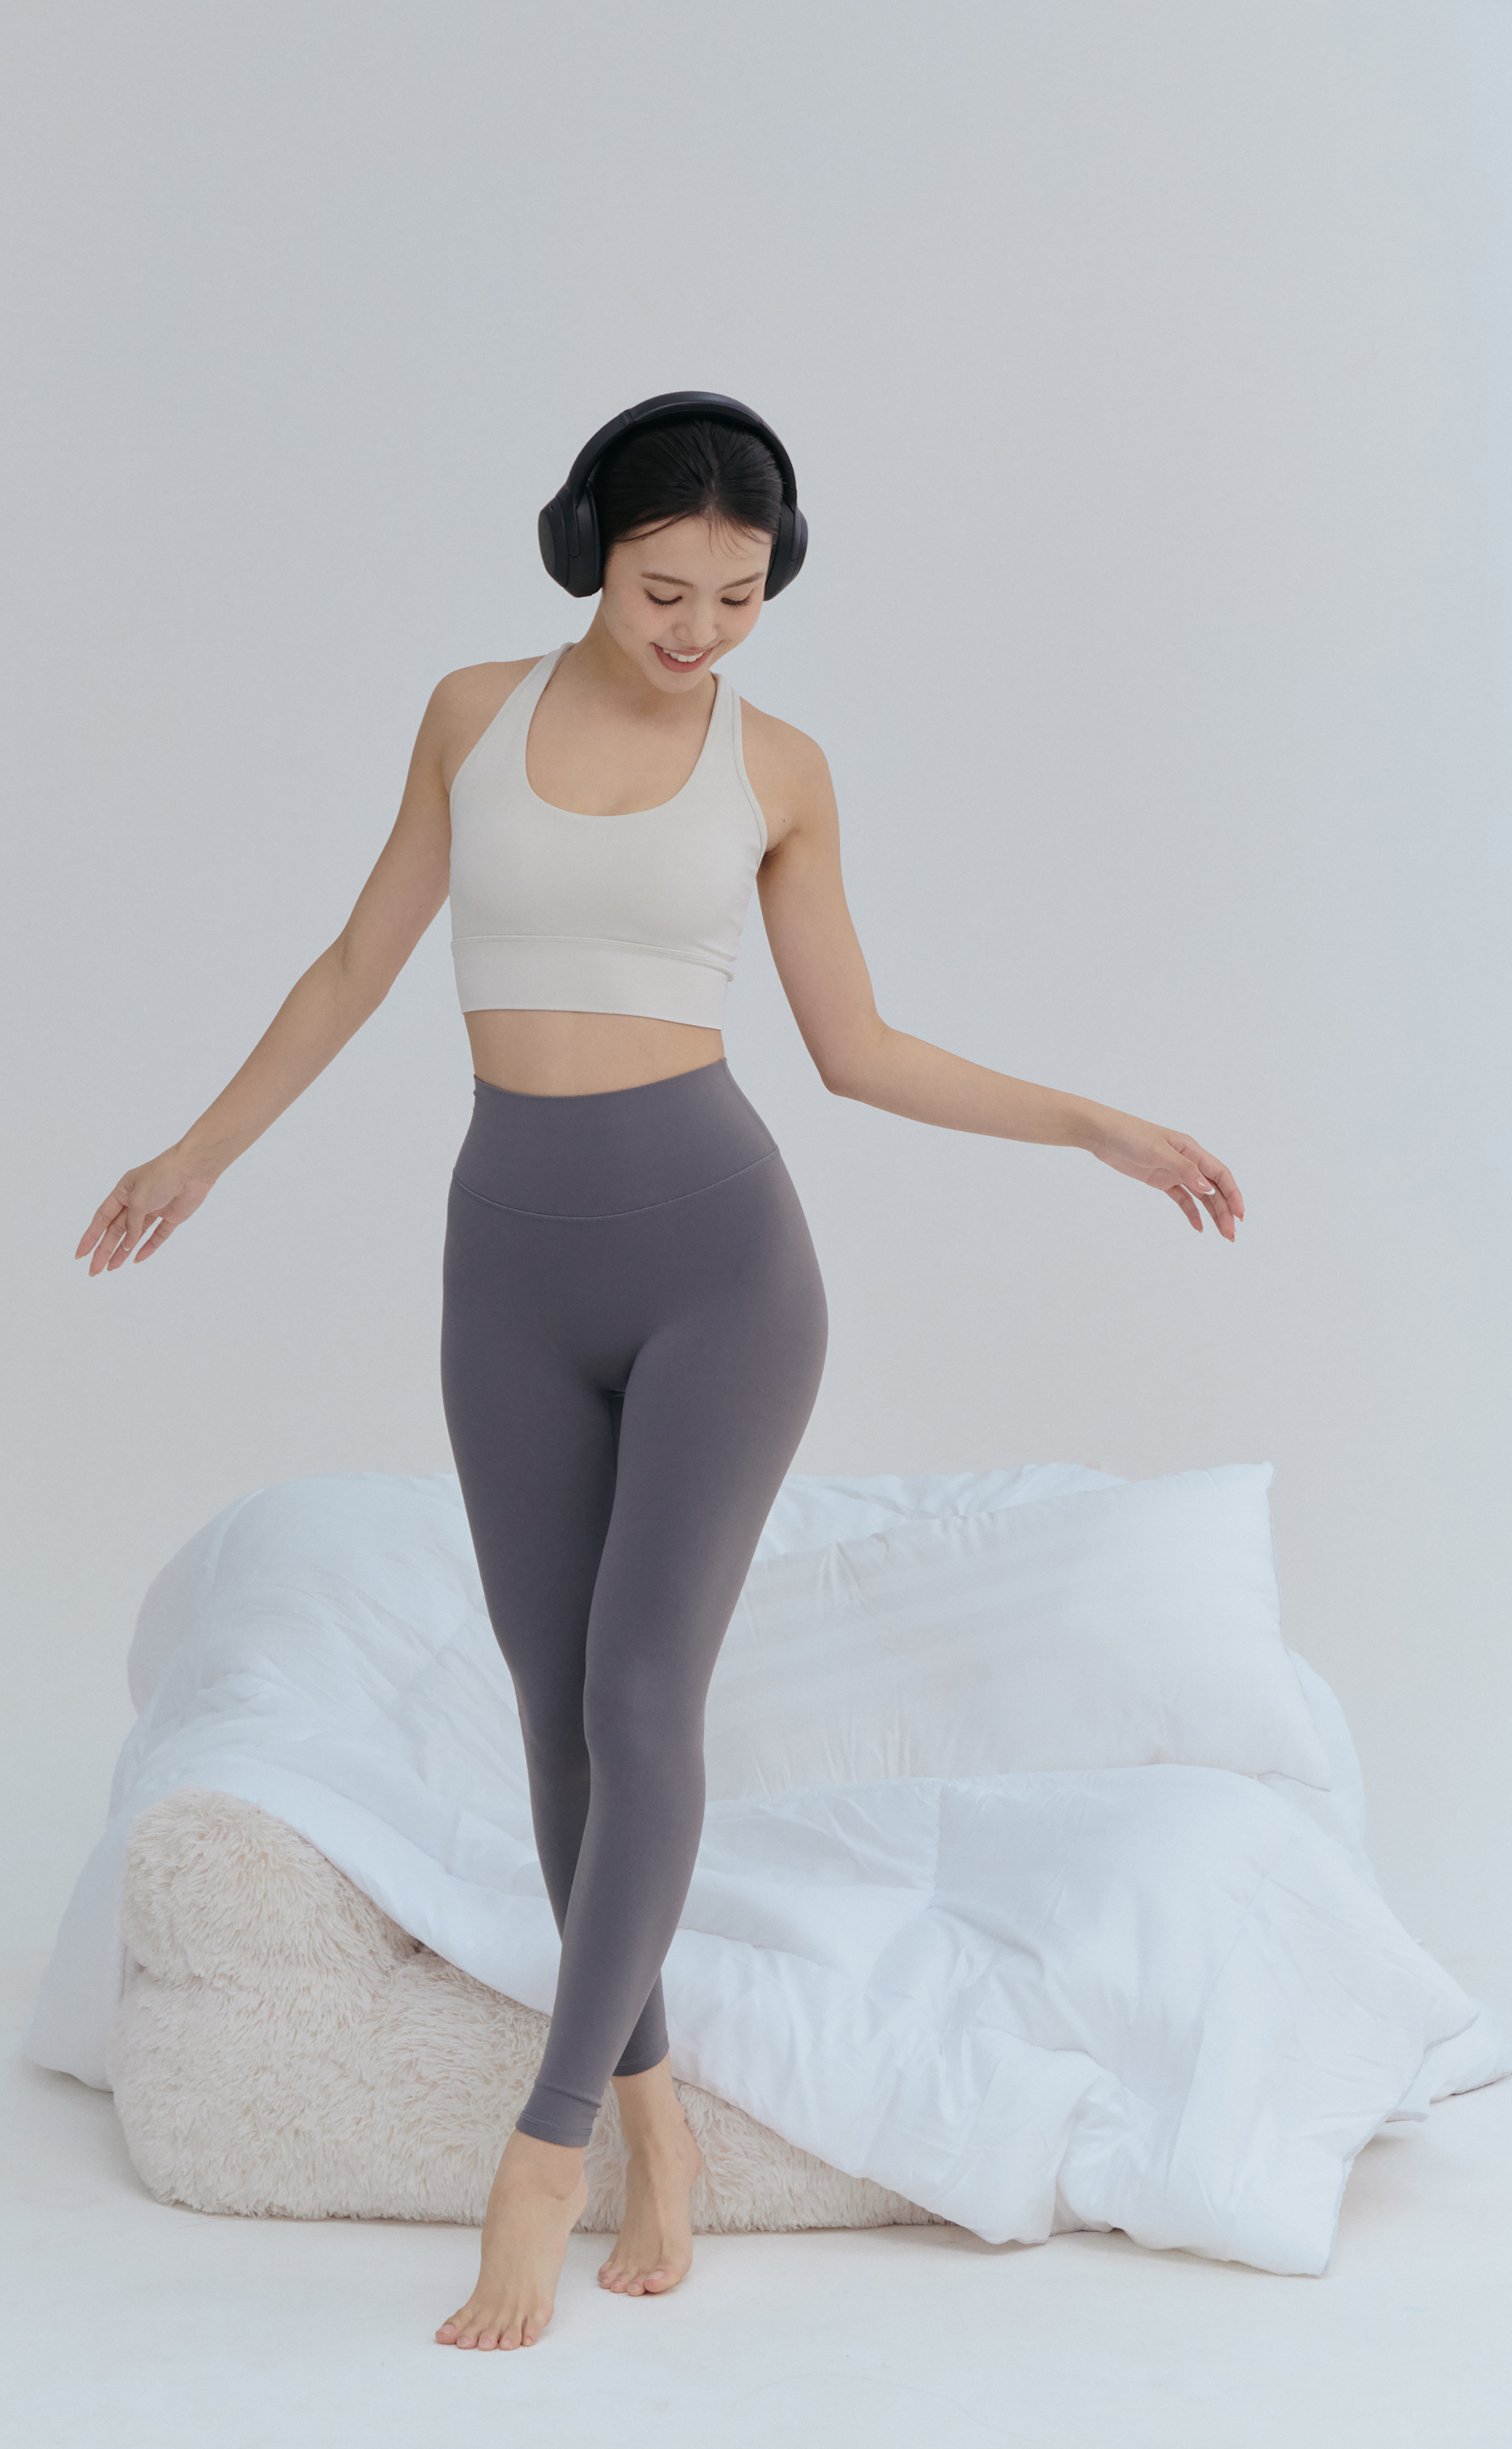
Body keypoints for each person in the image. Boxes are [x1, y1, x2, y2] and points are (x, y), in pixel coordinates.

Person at [75, 392, 1245, 2352]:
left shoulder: (778, 770)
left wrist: (1095, 1126)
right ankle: (654, 2119)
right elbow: (356, 967)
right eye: (661, 590)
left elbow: (857, 1050)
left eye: (739, 595)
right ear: (587, 557)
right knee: (556, 1719)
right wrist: (197, 1152)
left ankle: (540, 2160)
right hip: (507, 1271)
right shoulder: (471, 717)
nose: (698, 630)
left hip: (724, 1272)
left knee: (639, 1691)